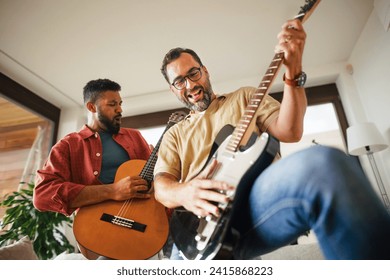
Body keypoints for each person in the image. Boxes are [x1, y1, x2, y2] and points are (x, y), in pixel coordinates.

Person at [153, 19, 390, 260]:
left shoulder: (244, 97)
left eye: (193, 73)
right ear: (173, 90)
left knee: (323, 164)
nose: (190, 84)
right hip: (195, 229)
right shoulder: (174, 133)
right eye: (179, 81)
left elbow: (289, 130)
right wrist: (185, 193)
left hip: (251, 205)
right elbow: (162, 187)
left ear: (205, 71)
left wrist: (293, 72)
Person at [33, 79, 159, 259]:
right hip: (96, 235)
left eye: (120, 104)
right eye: (112, 104)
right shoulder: (68, 145)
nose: (120, 110)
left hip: (142, 229)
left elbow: (155, 184)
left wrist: (159, 172)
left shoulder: (135, 137)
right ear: (91, 107)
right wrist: (112, 191)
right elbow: (42, 195)